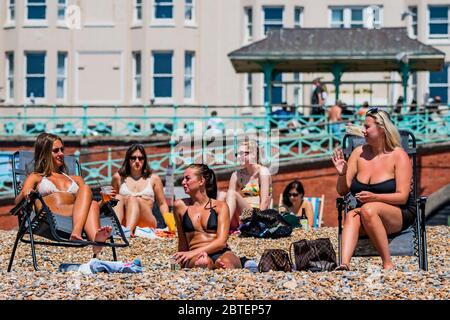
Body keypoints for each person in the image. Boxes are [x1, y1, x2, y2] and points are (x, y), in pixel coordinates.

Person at [332, 108, 415, 271]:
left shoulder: (399, 156)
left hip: (398, 213)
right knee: (352, 214)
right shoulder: (358, 153)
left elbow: (403, 197)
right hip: (366, 213)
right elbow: (342, 191)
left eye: (367, 127)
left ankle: (387, 264)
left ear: (382, 128)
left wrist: (374, 197)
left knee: (368, 209)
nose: (363, 130)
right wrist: (342, 174)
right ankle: (344, 264)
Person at [15, 132, 112, 254]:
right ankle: (86, 236)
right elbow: (17, 202)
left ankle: (95, 242)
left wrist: (103, 202)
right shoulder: (36, 177)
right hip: (50, 215)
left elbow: (86, 207)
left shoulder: (76, 179)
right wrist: (25, 192)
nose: (61, 153)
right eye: (56, 150)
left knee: (90, 198)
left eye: (62, 149)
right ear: (44, 154)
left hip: (75, 214)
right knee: (90, 203)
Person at [172, 164, 242, 269]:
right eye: (183, 179)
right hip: (195, 255)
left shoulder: (220, 206)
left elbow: (221, 242)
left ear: (201, 181)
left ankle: (221, 264)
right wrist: (179, 262)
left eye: (187, 178)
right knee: (202, 262)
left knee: (227, 262)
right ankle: (211, 265)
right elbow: (182, 241)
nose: (183, 182)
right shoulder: (180, 206)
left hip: (221, 252)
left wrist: (190, 254)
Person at [111, 144, 170, 237]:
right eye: (133, 158)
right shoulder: (118, 177)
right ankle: (117, 228)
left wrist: (169, 223)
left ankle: (128, 232)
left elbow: (162, 203)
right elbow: (112, 202)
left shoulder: (154, 179)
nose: (137, 161)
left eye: (140, 158)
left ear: (145, 160)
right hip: (124, 220)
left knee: (133, 199)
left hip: (146, 220)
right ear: (128, 159)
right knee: (117, 197)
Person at [225, 140, 272, 229]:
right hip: (241, 217)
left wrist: (258, 223)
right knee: (223, 195)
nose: (238, 157)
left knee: (231, 193)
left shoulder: (263, 172)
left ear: (253, 154)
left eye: (242, 153)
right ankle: (220, 226)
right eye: (237, 154)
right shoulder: (236, 175)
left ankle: (223, 229)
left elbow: (265, 202)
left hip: (257, 216)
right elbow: (229, 201)